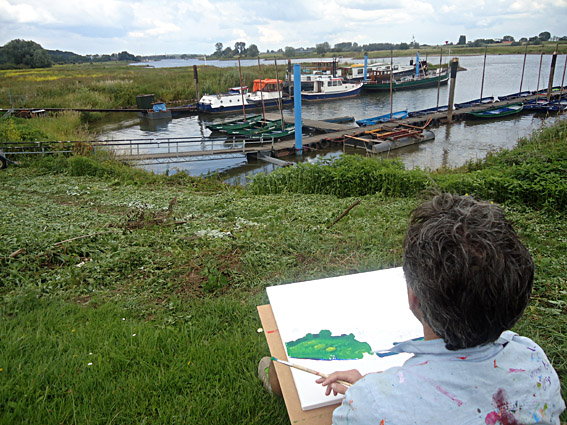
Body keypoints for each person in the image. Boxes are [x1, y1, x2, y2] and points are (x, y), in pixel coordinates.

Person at [315, 193, 565, 424]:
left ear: (414, 298)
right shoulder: (534, 361)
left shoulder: (370, 408)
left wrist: (370, 396)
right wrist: (376, 387)